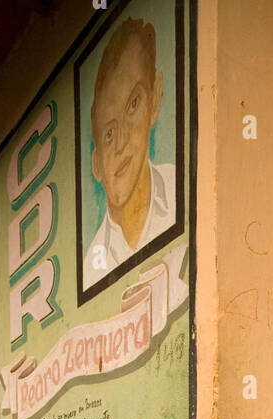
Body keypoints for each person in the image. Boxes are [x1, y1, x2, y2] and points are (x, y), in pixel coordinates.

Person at [82, 16, 176, 290]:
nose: (121, 142)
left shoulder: (186, 191)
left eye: (133, 104)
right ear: (96, 164)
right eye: (109, 134)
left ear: (155, 98)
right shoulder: (92, 268)